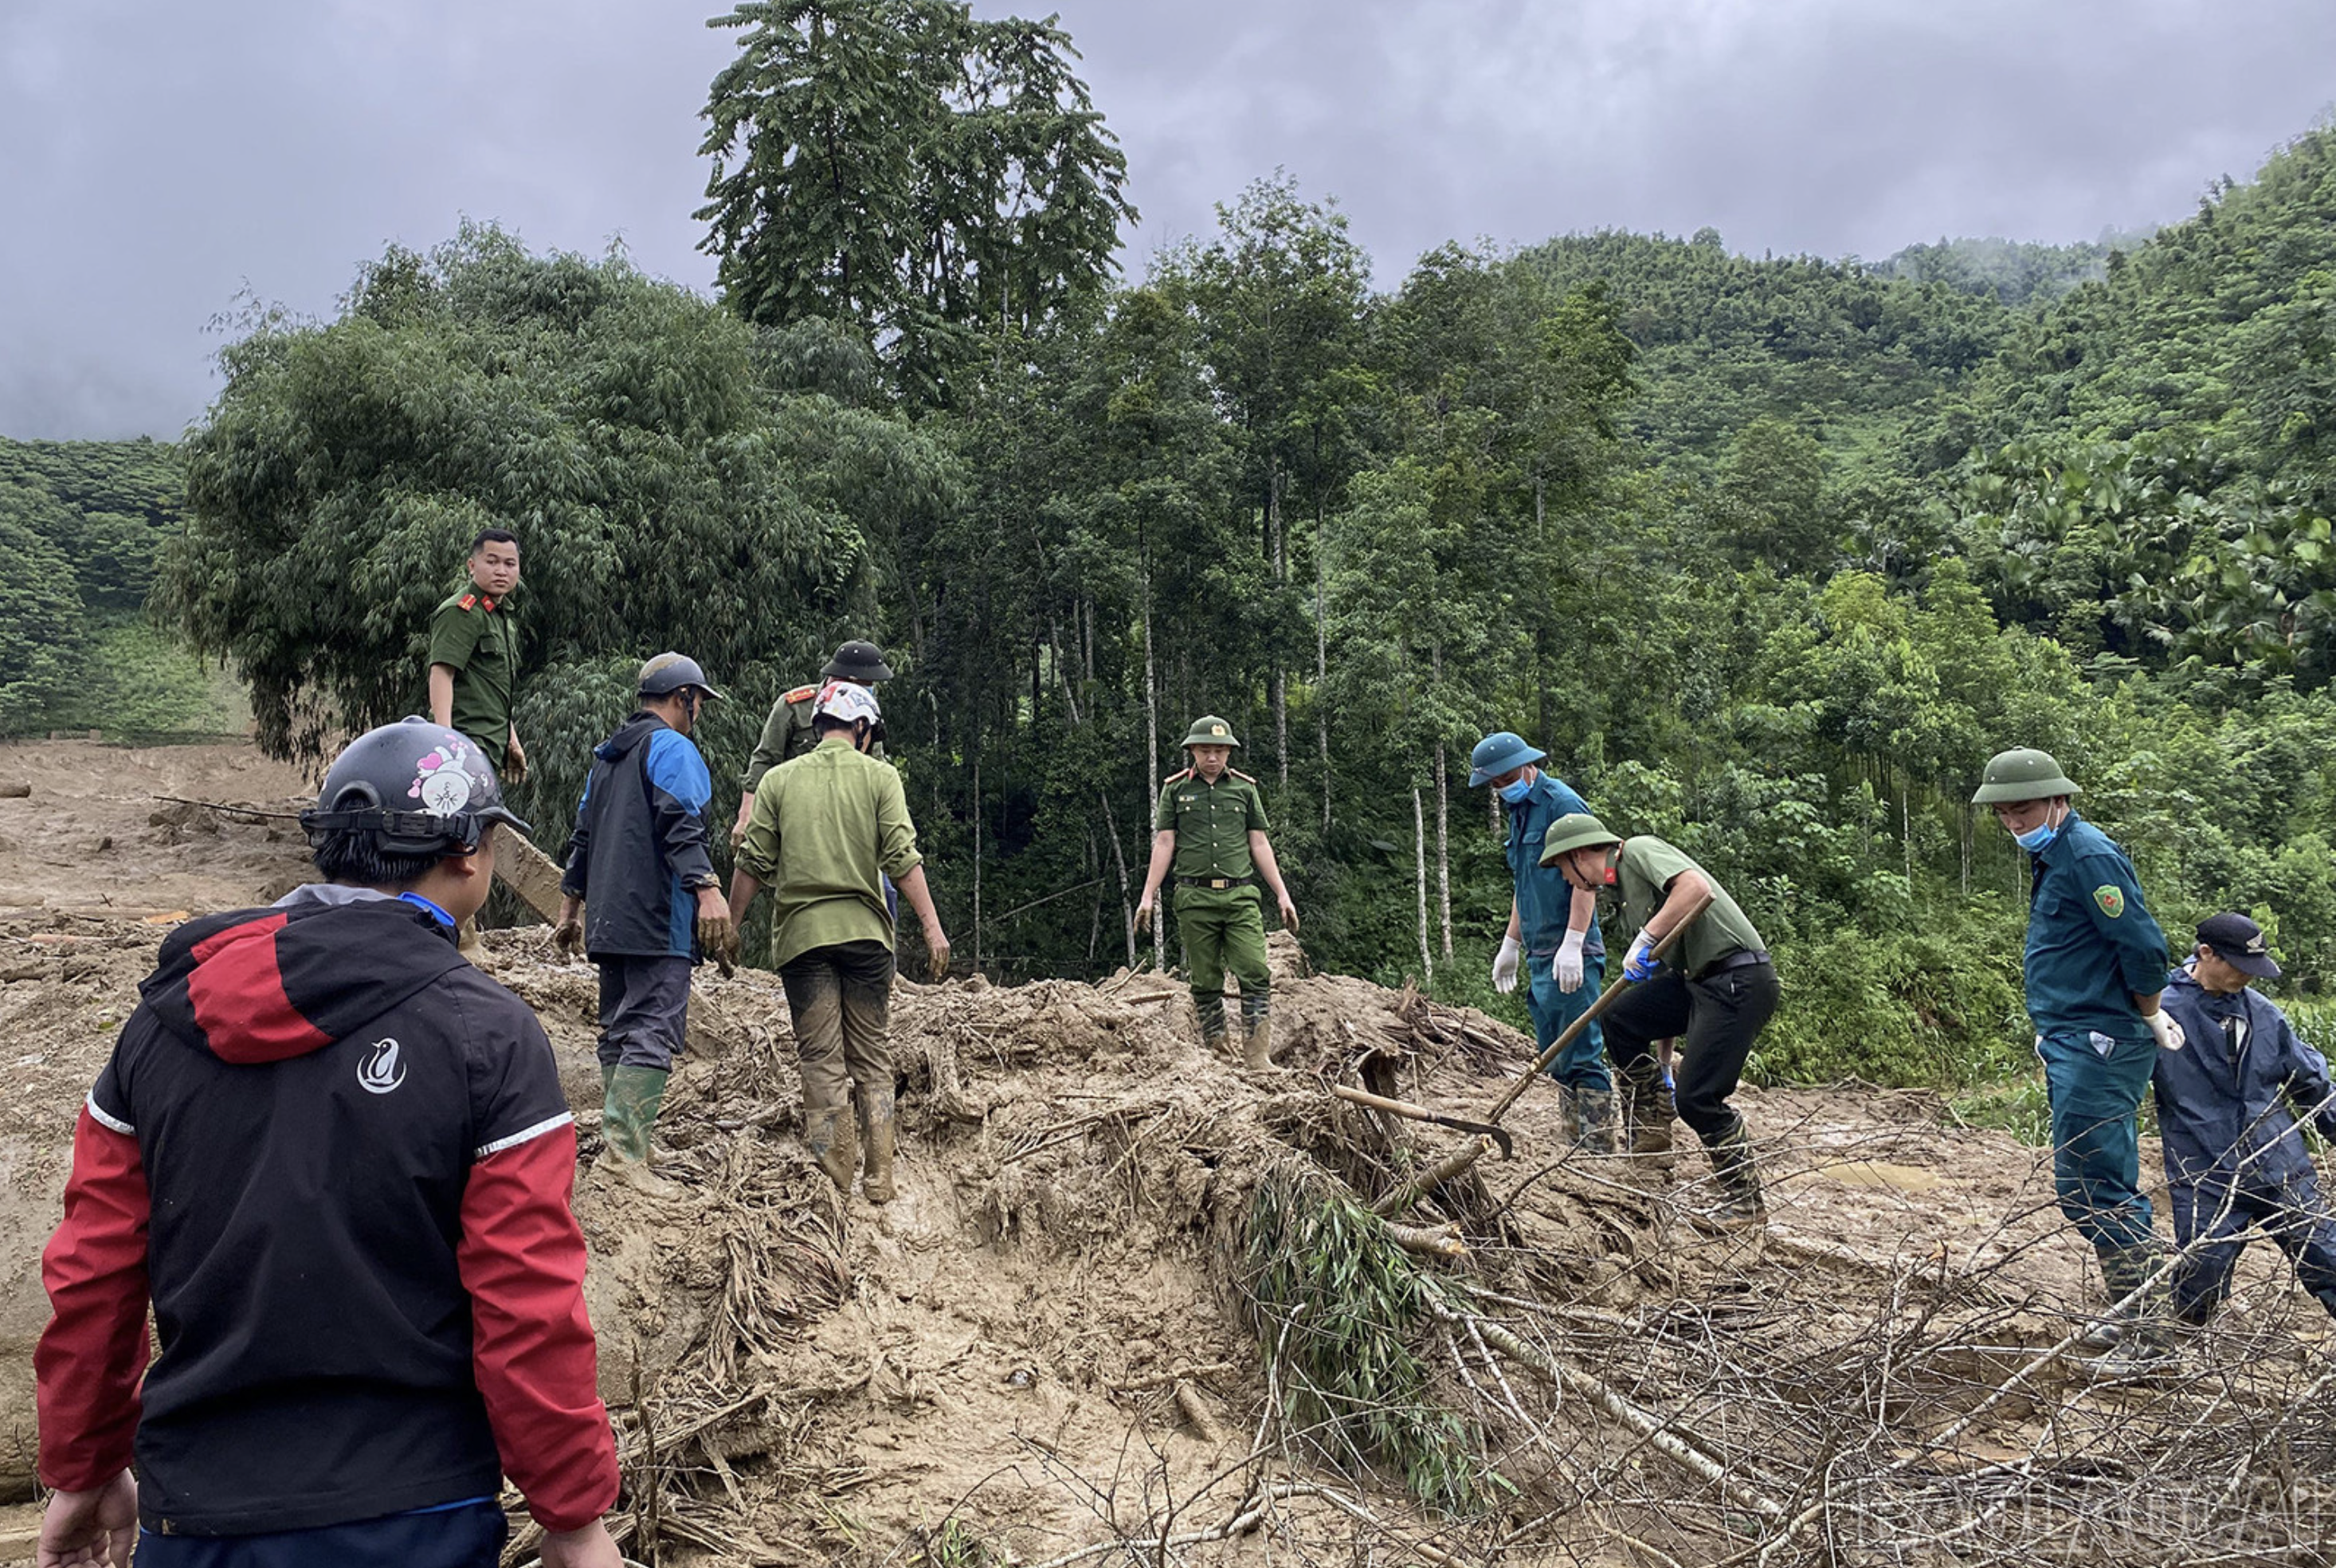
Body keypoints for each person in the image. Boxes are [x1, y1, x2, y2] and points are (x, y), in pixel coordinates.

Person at [34, 718, 621, 1568]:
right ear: (467, 852)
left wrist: (83, 1469)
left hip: (195, 1516)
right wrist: (572, 1517)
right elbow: (527, 1304)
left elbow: (93, 1278)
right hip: (416, 1512)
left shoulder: (156, 1030)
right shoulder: (487, 1037)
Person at [1971, 747, 2184, 1376]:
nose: (2015, 822)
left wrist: (2148, 1012)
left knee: (2097, 1187)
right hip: (2076, 1034)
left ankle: (2150, 1340)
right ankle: (2133, 1308)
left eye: (2025, 809)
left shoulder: (2088, 854)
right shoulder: (2053, 853)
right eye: (2005, 813)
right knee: (2089, 1183)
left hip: (2103, 1041)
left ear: (2058, 800)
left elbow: (2143, 945)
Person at [728, 680, 950, 1202]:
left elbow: (753, 861)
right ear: (863, 729)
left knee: (821, 1059)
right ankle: (880, 1177)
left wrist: (731, 925)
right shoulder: (881, 777)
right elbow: (902, 857)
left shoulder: (780, 781)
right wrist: (932, 927)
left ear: (817, 725)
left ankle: (835, 1175)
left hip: (804, 941)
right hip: (868, 940)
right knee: (872, 1055)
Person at [554, 653, 742, 1198]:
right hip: (658, 917)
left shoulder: (608, 758)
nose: (699, 710)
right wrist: (708, 892)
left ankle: (628, 1138)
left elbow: (582, 837)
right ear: (682, 697)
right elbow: (682, 825)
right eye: (698, 700)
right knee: (654, 1029)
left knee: (618, 1027)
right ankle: (625, 1155)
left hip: (609, 920)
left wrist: (571, 908)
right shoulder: (673, 748)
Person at [1540, 813, 1777, 1225]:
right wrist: (1663, 1067)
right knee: (1622, 1018)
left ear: (1578, 854)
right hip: (1695, 982)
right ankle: (1653, 1118)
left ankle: (1745, 1199)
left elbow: (1695, 888)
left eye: (1562, 868)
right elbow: (1669, 976)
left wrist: (1647, 937)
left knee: (1698, 1098)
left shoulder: (1638, 851)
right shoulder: (1624, 894)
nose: (1566, 879)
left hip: (1737, 979)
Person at [2151, 911, 2336, 1327]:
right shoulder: (2159, 1009)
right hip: (2203, 1166)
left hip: (2279, 1162)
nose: (2248, 977)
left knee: (2327, 1255)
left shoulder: (2265, 1015)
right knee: (2203, 1268)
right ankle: (2182, 1342)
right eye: (2239, 967)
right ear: (2206, 953)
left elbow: (2312, 1082)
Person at [1469, 731, 1612, 1153]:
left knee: (1582, 1047)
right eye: (1494, 784)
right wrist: (1510, 944)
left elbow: (1591, 877)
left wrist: (1574, 942)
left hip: (1572, 951)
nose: (1501, 788)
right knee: (1554, 1050)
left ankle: (1597, 1144)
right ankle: (1573, 1137)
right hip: (1540, 951)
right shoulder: (1518, 812)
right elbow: (1524, 883)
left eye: (1506, 778)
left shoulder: (1561, 804)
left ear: (1528, 766)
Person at [1135, 716, 1300, 1071]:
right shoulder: (1176, 790)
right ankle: (1219, 1055)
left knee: (1255, 970)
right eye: (1206, 750)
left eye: (1220, 750)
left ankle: (1257, 1058)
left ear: (1229, 752)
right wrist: (1148, 896)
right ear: (1192, 751)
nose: (1213, 757)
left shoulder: (1244, 789)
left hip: (1240, 897)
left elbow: (1259, 843)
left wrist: (1282, 895)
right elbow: (1164, 842)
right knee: (1205, 979)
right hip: (1195, 899)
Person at [731, 640, 893, 848]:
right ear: (848, 680)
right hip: (798, 818)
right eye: (868, 684)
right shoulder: (795, 706)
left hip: (851, 821)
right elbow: (765, 759)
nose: (871, 691)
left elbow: (876, 767)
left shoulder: (866, 711)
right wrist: (746, 817)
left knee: (879, 878)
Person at [427, 528, 527, 783]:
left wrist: (511, 740)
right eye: (492, 562)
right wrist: (445, 742)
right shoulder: (462, 611)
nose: (501, 571)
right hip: (464, 744)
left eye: (509, 564)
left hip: (491, 745)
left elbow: (494, 688)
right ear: (472, 565)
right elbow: (441, 673)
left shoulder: (500, 618)